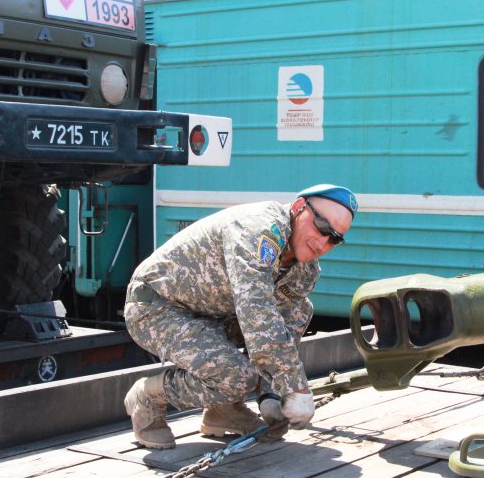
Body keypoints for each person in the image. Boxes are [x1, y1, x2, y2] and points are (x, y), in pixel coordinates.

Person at [122, 184, 358, 449]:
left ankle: (223, 410)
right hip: (157, 307)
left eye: (334, 239)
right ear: (297, 208)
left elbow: (282, 322)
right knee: (236, 376)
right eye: (321, 227)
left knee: (299, 309)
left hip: (212, 314)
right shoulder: (258, 229)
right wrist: (295, 387)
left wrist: (271, 394)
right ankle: (148, 396)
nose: (322, 242)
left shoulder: (305, 270)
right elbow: (255, 310)